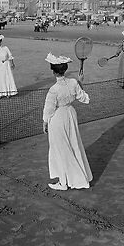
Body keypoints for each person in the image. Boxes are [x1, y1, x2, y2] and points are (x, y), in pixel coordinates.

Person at [42, 52, 92, 191]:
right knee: (73, 145)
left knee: (60, 149)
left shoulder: (53, 90)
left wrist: (45, 122)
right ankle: (75, 178)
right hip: (71, 115)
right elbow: (83, 98)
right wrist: (80, 82)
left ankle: (63, 183)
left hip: (58, 119)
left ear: (53, 72)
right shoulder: (73, 82)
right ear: (64, 69)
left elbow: (49, 109)